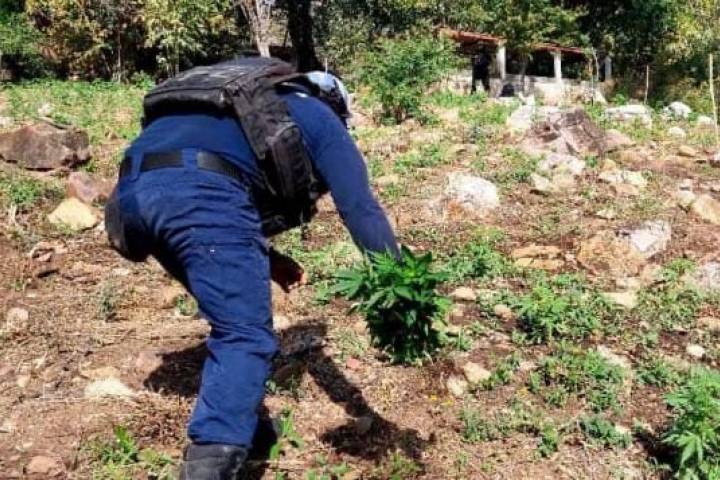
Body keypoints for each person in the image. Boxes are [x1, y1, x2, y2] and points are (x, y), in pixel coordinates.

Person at [105, 57, 398, 479]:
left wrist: (270, 260)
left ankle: (246, 429)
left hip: (130, 199)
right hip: (198, 195)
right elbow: (360, 209)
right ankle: (210, 461)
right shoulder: (318, 114)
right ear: (334, 103)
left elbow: (209, 176)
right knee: (244, 334)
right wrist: (398, 281)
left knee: (232, 316)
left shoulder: (237, 106)